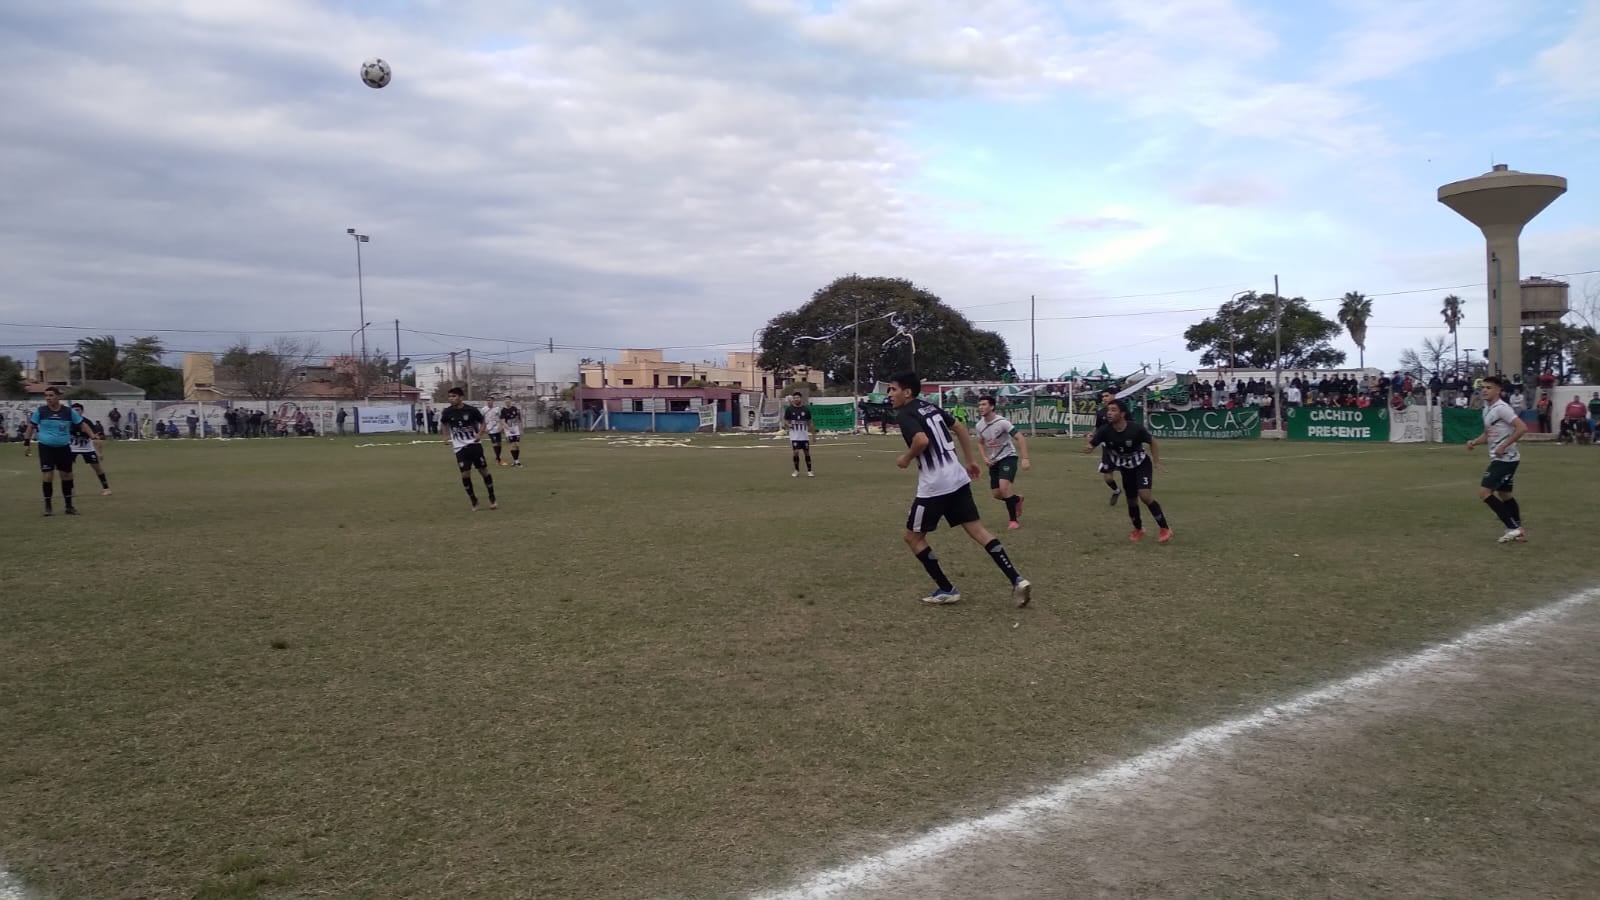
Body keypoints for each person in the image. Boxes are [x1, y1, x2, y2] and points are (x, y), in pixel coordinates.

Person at [888, 371, 1031, 608]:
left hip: (935, 486)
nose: (889, 395)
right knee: (978, 531)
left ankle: (946, 589)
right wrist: (970, 461)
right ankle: (1017, 579)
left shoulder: (906, 413)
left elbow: (921, 441)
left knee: (911, 537)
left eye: (893, 389)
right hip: (957, 478)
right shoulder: (930, 407)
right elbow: (960, 428)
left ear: (907, 392)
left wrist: (905, 458)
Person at [1083, 398, 1171, 543]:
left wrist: (1156, 462)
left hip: (1141, 464)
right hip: (1125, 468)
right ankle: (1138, 529)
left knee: (1145, 495)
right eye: (1108, 410)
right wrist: (1089, 447)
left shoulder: (1135, 429)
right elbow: (1093, 443)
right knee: (1131, 501)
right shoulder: (1105, 430)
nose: (1109, 413)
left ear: (1122, 414)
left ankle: (1165, 528)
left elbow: (1152, 441)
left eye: (1113, 410)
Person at [1465, 375, 1527, 542]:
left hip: (1506, 458)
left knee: (1484, 492)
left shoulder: (1502, 408)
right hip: (1501, 457)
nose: (1484, 390)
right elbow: (1488, 435)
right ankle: (1518, 530)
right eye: (1483, 387)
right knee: (1505, 494)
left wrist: (1503, 446)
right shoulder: (1487, 409)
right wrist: (1474, 442)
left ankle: (1512, 527)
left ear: (1499, 390)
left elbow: (1522, 428)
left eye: (1489, 387)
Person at [21, 386, 100, 516]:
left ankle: (69, 506)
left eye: (51, 395)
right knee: (47, 476)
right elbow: (31, 426)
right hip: (46, 447)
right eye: (46, 396)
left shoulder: (68, 412)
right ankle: (48, 506)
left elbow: (82, 424)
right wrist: (26, 442)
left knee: (67, 475)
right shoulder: (41, 411)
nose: (48, 398)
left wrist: (92, 435)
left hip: (63, 448)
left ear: (58, 397)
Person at [974, 395, 1030, 529]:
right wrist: (985, 458)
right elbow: (980, 443)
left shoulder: (1002, 422)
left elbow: (1020, 438)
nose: (981, 407)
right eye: (979, 405)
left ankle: (1013, 521)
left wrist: (1025, 458)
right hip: (994, 461)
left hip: (1008, 457)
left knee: (1004, 488)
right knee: (997, 494)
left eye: (984, 404)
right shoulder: (979, 425)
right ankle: (1016, 499)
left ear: (992, 406)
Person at [438, 387, 497, 511]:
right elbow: (444, 423)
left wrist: (479, 434)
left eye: (454, 396)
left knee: (483, 471)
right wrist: (445, 436)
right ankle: (473, 500)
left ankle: (492, 497)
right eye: (449, 397)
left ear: (461, 397)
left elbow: (483, 422)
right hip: (460, 448)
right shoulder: (447, 412)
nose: (451, 399)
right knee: (465, 474)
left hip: (474, 445)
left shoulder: (471, 410)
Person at [69, 403, 112, 495]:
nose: (76, 412)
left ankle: (106, 488)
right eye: (73, 410)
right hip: (72, 448)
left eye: (78, 410)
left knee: (97, 468)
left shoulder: (87, 422)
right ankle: (71, 489)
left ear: (82, 411)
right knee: (67, 469)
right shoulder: (68, 422)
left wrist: (99, 453)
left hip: (87, 448)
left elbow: (96, 438)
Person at [1093, 389, 1122, 505]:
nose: (1104, 398)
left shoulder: (1122, 410)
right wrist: (1093, 436)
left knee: (1129, 473)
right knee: (1108, 478)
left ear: (1114, 396)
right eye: (1103, 396)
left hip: (1124, 447)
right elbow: (1098, 429)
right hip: (1108, 449)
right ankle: (1117, 490)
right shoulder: (1101, 413)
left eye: (1106, 396)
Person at [783, 391, 814, 478]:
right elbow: (785, 420)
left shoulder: (806, 409)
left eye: (797, 398)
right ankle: (796, 470)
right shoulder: (789, 409)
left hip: (804, 435)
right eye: (794, 398)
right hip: (794, 435)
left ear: (800, 398)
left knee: (806, 453)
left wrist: (813, 434)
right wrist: (788, 424)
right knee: (796, 452)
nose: (796, 399)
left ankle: (810, 470)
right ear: (793, 399)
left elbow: (810, 422)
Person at [483, 398, 506, 466]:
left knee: (499, 443)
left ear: (493, 401)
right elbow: (481, 419)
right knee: (495, 443)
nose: (489, 402)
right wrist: (484, 428)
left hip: (497, 428)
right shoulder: (484, 409)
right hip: (490, 429)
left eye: (490, 400)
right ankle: (498, 459)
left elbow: (501, 418)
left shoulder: (497, 409)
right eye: (487, 400)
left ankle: (498, 457)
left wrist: (501, 426)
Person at [500, 400, 524, 467]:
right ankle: (516, 461)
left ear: (510, 402)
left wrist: (521, 429)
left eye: (509, 401)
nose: (508, 402)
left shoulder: (515, 409)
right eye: (506, 401)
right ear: (505, 402)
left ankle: (516, 461)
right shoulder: (503, 410)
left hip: (516, 429)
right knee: (513, 445)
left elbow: (519, 419)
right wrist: (509, 429)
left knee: (517, 445)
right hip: (508, 430)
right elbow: (503, 422)